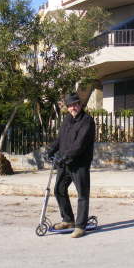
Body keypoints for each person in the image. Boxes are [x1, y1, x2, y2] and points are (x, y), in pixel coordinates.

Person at [47, 92, 95, 238]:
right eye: (70, 106)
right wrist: (51, 149)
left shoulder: (87, 121)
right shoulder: (67, 119)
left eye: (75, 104)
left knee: (82, 194)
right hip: (64, 163)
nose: (73, 108)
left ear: (80, 105)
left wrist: (64, 156)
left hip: (79, 164)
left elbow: (79, 145)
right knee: (59, 190)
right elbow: (61, 139)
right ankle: (68, 220)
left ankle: (80, 226)